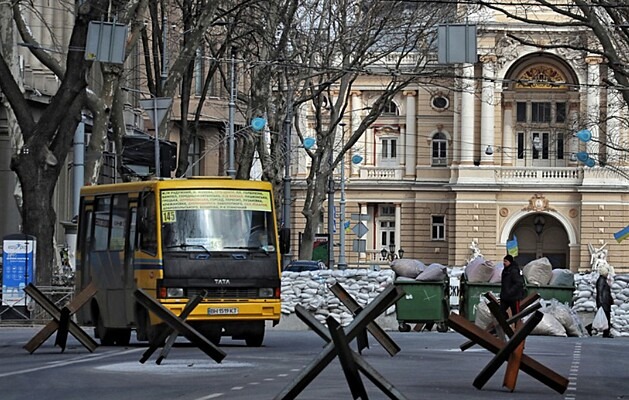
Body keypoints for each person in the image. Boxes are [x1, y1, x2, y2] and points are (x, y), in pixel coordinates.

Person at [587, 265, 614, 337]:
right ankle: (590, 328)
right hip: (603, 302)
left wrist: (610, 300)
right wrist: (601, 303)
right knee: (605, 317)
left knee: (605, 317)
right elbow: (600, 292)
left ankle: (605, 333)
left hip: (606, 302)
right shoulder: (601, 280)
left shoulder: (604, 280)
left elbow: (607, 292)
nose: (608, 273)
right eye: (607, 272)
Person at [499, 254, 526, 320]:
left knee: (516, 315)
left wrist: (510, 291)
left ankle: (517, 328)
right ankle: (506, 323)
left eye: (505, 261)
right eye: (503, 261)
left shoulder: (514, 271)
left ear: (510, 262)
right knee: (500, 312)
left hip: (514, 297)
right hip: (505, 297)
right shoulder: (505, 271)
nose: (504, 263)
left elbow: (519, 283)